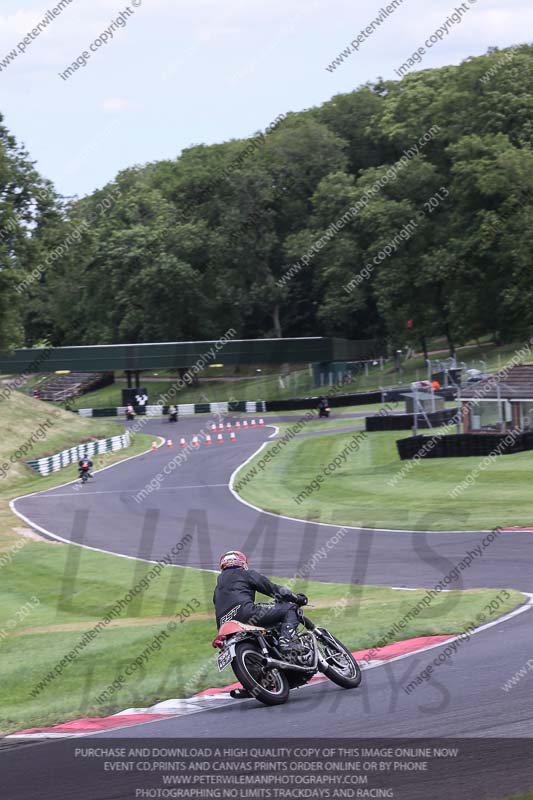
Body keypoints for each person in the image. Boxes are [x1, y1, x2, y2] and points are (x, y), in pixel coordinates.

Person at [213, 550, 308, 655]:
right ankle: (285, 642)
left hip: (224, 626)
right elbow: (273, 589)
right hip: (247, 614)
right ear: (242, 562)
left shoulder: (217, 590)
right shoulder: (246, 574)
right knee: (291, 609)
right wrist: (296, 598)